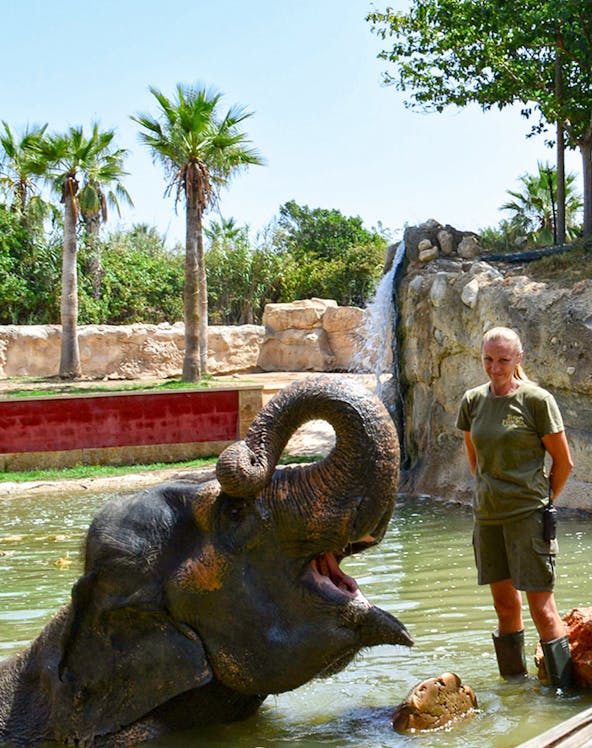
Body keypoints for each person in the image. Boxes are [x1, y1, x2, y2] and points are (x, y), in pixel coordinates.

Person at [456, 326, 574, 688]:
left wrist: (539, 502)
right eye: (488, 359)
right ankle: (515, 687)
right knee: (505, 608)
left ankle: (563, 694)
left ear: (519, 358)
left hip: (528, 516)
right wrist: (491, 493)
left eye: (503, 360)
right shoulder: (472, 401)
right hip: (488, 518)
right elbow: (475, 460)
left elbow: (564, 463)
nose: (494, 368)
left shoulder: (536, 400)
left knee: (542, 609)